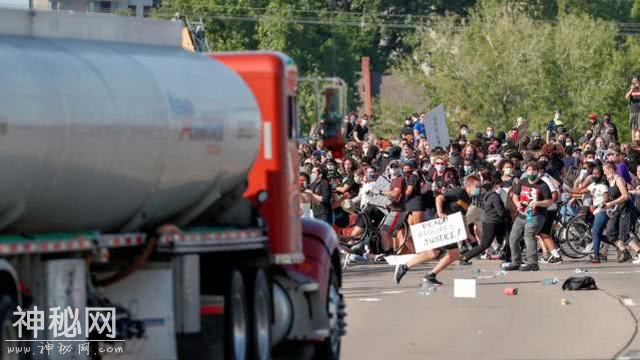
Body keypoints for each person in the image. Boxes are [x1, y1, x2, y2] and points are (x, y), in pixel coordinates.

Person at [393, 176, 481, 286]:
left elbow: (462, 216)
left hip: (450, 228)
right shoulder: (458, 192)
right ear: (469, 185)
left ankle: (431, 275)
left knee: (453, 254)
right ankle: (404, 266)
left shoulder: (469, 199)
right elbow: (439, 198)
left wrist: (467, 234)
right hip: (440, 224)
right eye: (477, 186)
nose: (479, 188)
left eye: (479, 186)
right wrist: (440, 212)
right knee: (432, 253)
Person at [503, 161, 554, 271]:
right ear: (526, 171)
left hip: (536, 215)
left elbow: (549, 201)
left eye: (534, 170)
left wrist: (538, 203)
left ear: (537, 172)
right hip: (522, 214)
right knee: (513, 238)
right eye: (529, 170)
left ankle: (533, 263)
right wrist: (517, 204)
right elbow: (515, 196)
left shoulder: (543, 185)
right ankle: (515, 262)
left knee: (529, 235)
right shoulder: (522, 182)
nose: (531, 172)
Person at [459, 177, 505, 265]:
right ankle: (465, 257)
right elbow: (500, 211)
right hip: (489, 219)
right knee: (484, 244)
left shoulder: (486, 196)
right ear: (494, 187)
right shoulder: (494, 196)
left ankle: (503, 254)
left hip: (487, 219)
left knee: (484, 238)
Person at [602, 161, 640, 263]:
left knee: (624, 234)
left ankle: (639, 253)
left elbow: (625, 196)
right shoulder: (610, 181)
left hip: (626, 209)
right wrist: (605, 203)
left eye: (605, 170)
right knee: (610, 232)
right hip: (618, 209)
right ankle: (624, 251)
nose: (604, 172)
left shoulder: (618, 179)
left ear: (610, 168)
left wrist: (611, 203)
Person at [626, 75, 640, 141]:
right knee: (633, 128)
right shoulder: (631, 88)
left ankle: (637, 141)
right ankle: (633, 142)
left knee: (638, 128)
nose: (634, 83)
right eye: (633, 81)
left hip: (639, 111)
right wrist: (631, 89)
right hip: (633, 111)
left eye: (635, 81)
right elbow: (626, 97)